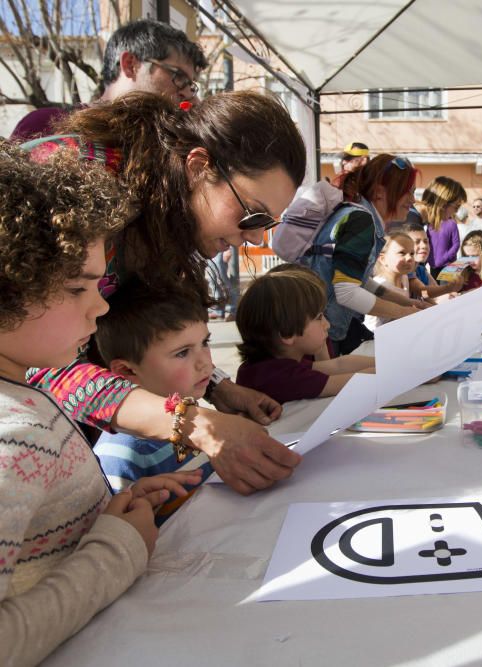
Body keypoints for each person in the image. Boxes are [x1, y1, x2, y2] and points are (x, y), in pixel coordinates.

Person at [21, 90, 306, 495]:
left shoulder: (164, 211)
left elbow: (136, 331)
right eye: (252, 213)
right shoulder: (78, 182)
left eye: (268, 225)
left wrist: (216, 388)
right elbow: (43, 359)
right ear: (198, 166)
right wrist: (194, 424)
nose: (255, 236)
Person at [0, 140, 200, 664]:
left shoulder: (26, 392)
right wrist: (117, 549)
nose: (101, 306)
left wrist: (107, 516)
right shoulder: (11, 435)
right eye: (76, 288)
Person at [91, 281, 216, 503]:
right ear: (127, 370)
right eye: (182, 353)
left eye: (205, 342)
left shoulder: (192, 411)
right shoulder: (120, 456)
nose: (205, 363)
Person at [305, 153, 427, 355]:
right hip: (321, 333)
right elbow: (346, 292)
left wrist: (406, 302)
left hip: (320, 327)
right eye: (407, 192)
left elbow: (357, 280)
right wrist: (404, 312)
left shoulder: (357, 214)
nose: (412, 200)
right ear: (380, 192)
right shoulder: (362, 221)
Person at [10, 18, 206, 142]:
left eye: (191, 84)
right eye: (179, 76)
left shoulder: (170, 149)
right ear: (130, 64)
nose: (187, 93)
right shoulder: (44, 127)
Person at [235, 266, 375, 403]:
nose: (327, 324)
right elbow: (349, 382)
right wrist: (387, 370)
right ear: (287, 333)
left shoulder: (277, 362)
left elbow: (338, 365)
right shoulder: (276, 376)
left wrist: (382, 364)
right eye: (319, 317)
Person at [409, 176, 466, 277]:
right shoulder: (411, 220)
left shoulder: (420, 220)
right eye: (456, 207)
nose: (456, 212)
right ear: (443, 203)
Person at [400, 220, 464, 300]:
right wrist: (447, 288)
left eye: (426, 241)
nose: (424, 246)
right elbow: (423, 292)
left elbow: (430, 295)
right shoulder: (405, 272)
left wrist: (448, 295)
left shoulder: (421, 270)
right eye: (417, 242)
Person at [365, 232, 417, 329]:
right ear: (383, 259)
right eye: (402, 253)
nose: (409, 258)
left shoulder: (404, 277)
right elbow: (374, 326)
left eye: (412, 253)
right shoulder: (380, 286)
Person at [208, 243, 240, 320]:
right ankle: (218, 309)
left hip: (230, 241)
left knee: (227, 278)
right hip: (213, 242)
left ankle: (233, 310)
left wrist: (228, 248)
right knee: (212, 278)